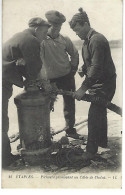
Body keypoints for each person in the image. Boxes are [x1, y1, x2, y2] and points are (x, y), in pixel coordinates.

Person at [2, 17, 51, 168]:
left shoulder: (20, 36)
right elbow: (35, 68)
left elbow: (25, 65)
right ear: (36, 29)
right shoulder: (31, 40)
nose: (45, 35)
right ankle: (4, 160)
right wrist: (44, 85)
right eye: (44, 32)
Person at [69, 8, 116, 159]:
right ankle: (102, 144)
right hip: (96, 83)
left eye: (77, 30)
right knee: (100, 112)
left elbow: (96, 67)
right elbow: (90, 63)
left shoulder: (97, 39)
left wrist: (83, 88)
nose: (77, 34)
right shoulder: (86, 42)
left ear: (85, 24)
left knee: (94, 115)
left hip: (105, 84)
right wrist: (83, 69)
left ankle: (90, 151)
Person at [40, 10, 81, 138]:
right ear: (47, 25)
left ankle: (70, 129)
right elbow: (37, 61)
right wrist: (43, 80)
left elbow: (74, 54)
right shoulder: (41, 41)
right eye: (54, 25)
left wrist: (73, 70)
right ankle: (43, 132)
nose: (57, 28)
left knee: (69, 103)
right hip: (49, 79)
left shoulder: (65, 39)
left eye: (59, 26)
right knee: (45, 105)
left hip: (66, 76)